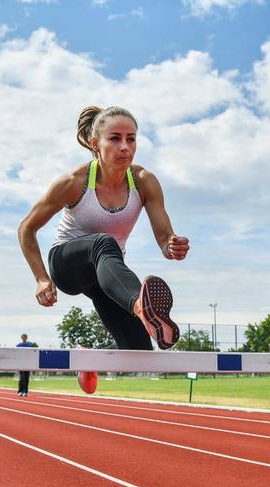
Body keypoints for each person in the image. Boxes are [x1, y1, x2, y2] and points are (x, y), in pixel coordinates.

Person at [18, 105, 189, 359]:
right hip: (67, 265)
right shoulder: (74, 182)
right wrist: (41, 278)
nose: (125, 147)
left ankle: (90, 362)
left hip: (107, 275)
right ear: (95, 143)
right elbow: (27, 228)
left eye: (131, 139)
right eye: (115, 138)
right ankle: (142, 307)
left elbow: (165, 239)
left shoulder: (144, 181)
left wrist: (172, 246)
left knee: (140, 352)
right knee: (104, 243)